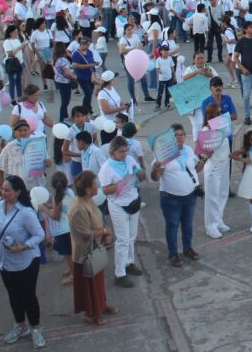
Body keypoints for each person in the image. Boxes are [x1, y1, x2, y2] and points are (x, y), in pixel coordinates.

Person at [0, 175, 46, 348]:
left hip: (26, 262)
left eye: (7, 190)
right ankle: (20, 325)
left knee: (28, 296)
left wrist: (23, 247)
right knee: (13, 295)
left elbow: (40, 235)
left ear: (18, 192)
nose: (3, 192)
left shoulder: (26, 213)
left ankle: (36, 328)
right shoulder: (1, 205)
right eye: (3, 189)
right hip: (5, 260)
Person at [150, 124, 206, 266]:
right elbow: (156, 178)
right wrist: (156, 168)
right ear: (170, 138)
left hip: (190, 195)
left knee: (187, 224)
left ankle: (188, 249)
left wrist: (205, 159)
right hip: (171, 198)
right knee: (173, 226)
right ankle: (173, 254)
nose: (180, 137)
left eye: (182, 134)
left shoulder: (188, 150)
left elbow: (196, 169)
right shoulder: (162, 153)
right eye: (176, 135)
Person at [68, 171, 116, 326]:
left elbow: (100, 218)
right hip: (85, 253)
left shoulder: (90, 200)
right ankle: (91, 313)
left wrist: (106, 230)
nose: (98, 187)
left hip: (96, 247)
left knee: (99, 281)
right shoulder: (78, 208)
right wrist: (104, 232)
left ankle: (101, 305)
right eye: (95, 185)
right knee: (89, 285)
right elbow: (84, 233)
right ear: (88, 189)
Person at [97, 136, 145, 287]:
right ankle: (119, 273)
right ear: (112, 152)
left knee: (132, 236)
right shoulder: (106, 168)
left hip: (133, 201)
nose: (124, 154)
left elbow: (141, 176)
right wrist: (121, 185)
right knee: (123, 239)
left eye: (126, 151)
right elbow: (105, 190)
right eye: (121, 152)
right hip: (118, 205)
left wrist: (140, 173)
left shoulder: (130, 160)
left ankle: (129, 262)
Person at [200, 104, 231, 238]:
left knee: (223, 193)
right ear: (209, 116)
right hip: (214, 166)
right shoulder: (205, 129)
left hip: (225, 163)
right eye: (216, 114)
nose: (219, 116)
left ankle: (218, 220)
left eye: (220, 113)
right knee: (212, 196)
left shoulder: (222, 126)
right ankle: (210, 226)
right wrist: (206, 153)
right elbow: (201, 151)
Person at [39, 172, 74, 286]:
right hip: (72, 227)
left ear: (53, 185)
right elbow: (62, 208)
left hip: (62, 230)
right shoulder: (70, 192)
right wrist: (51, 206)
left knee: (68, 254)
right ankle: (72, 269)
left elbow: (55, 216)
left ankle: (73, 275)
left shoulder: (57, 197)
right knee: (72, 252)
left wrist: (44, 209)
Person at [70, 38, 99, 114]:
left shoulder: (89, 52)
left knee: (89, 94)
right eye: (87, 45)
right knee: (88, 93)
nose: (88, 47)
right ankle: (86, 110)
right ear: (82, 44)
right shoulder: (76, 54)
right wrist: (89, 65)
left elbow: (91, 61)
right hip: (82, 76)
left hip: (90, 76)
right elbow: (76, 65)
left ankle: (88, 109)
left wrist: (94, 65)